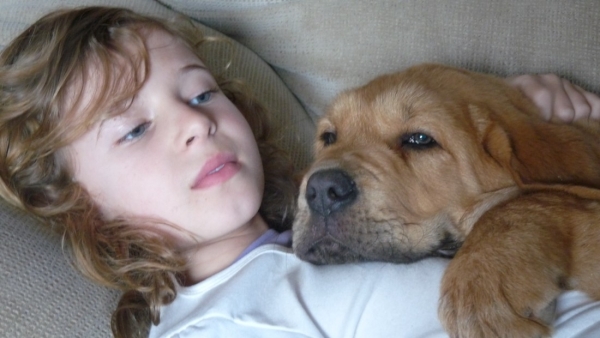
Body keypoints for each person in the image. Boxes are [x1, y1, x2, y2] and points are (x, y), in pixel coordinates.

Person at [0, 6, 599, 338]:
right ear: (79, 206)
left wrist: (516, 107)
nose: (194, 123)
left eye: (202, 94)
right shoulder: (218, 325)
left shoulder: (294, 253)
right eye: (134, 129)